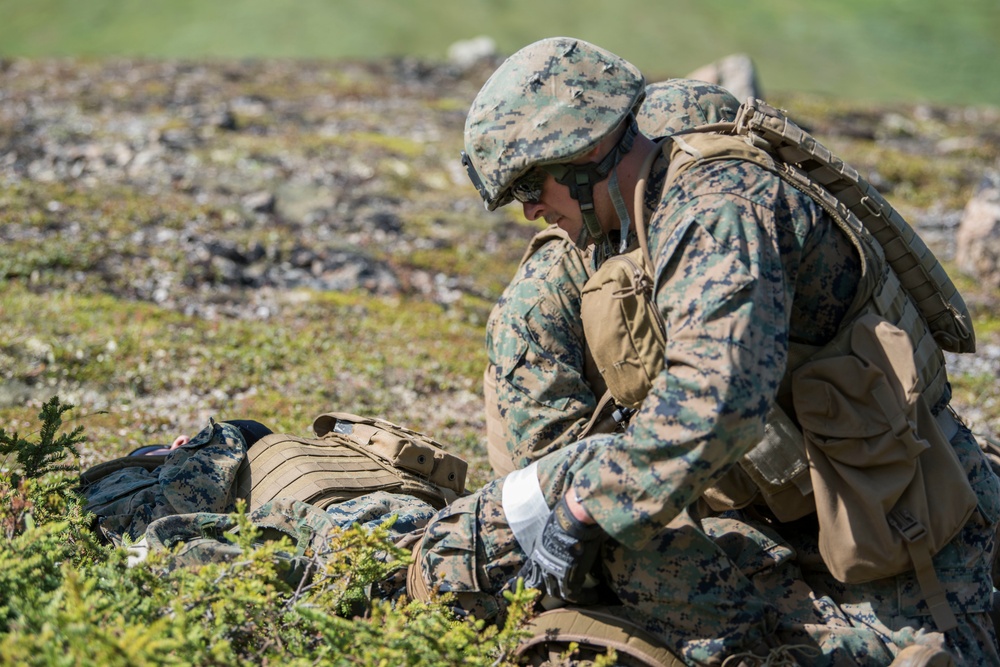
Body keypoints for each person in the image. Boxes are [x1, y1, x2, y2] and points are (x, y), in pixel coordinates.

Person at [452, 36, 999, 665]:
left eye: (530, 187)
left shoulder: (718, 208)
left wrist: (586, 505)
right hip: (772, 495)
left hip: (893, 503)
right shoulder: (627, 213)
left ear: (586, 152)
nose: (529, 214)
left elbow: (721, 395)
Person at [484, 78, 741, 475]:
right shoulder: (537, 305)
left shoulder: (703, 137)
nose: (530, 211)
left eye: (531, 185)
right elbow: (556, 490)